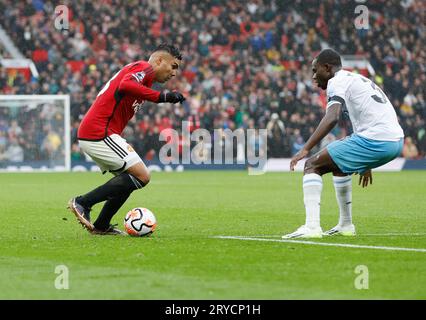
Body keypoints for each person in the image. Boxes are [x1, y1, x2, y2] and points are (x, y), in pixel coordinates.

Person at [283, 49, 404, 239]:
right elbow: (373, 114)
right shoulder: (356, 79)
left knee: (312, 164)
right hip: (394, 140)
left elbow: (332, 118)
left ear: (327, 68)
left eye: (316, 71)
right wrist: (366, 161)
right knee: (340, 167)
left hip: (376, 140)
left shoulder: (336, 81)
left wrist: (305, 149)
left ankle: (312, 227)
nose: (314, 77)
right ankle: (345, 225)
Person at [68, 43, 185, 235]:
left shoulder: (145, 79)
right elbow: (125, 85)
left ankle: (101, 225)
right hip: (99, 131)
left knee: (130, 180)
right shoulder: (144, 68)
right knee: (142, 176)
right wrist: (162, 97)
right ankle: (82, 202)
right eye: (173, 66)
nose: (174, 73)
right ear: (159, 60)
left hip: (99, 132)